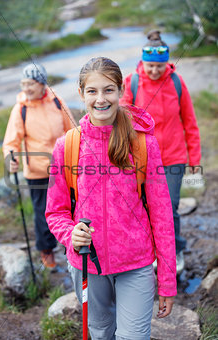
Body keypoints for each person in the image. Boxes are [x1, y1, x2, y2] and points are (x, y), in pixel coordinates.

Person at [45, 57, 177, 339]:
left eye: (108, 90)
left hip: (136, 263)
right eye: (92, 91)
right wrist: (71, 234)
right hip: (87, 264)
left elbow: (162, 217)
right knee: (101, 332)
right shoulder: (67, 146)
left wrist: (167, 282)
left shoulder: (143, 144)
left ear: (120, 91)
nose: (100, 99)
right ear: (81, 94)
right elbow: (55, 213)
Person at [120, 30, 201, 274]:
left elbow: (190, 122)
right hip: (142, 158)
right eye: (150, 65)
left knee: (171, 206)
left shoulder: (176, 82)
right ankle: (153, 250)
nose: (155, 70)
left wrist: (194, 159)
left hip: (174, 157)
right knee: (146, 206)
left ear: (167, 63)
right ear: (142, 62)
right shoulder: (132, 82)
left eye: (160, 65)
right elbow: (122, 117)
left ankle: (174, 250)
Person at [3, 63, 76, 268]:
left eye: (30, 83)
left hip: (62, 168)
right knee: (44, 212)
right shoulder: (21, 108)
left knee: (69, 207)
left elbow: (71, 130)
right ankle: (46, 251)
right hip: (37, 171)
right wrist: (11, 157)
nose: (26, 88)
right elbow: (11, 140)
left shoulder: (57, 102)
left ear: (42, 83)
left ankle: (70, 246)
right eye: (23, 83)